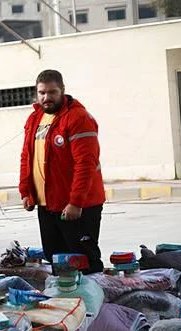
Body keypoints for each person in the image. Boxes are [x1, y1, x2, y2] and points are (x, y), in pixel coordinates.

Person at [19, 69, 105, 274]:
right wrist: (26, 191)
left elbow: (86, 164)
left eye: (52, 92)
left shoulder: (78, 118)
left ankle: (93, 303)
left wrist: (76, 202)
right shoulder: (35, 119)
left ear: (62, 91)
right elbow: (27, 156)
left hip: (76, 207)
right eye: (42, 93)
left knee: (83, 262)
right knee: (56, 260)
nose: (46, 97)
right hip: (47, 205)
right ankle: (68, 304)